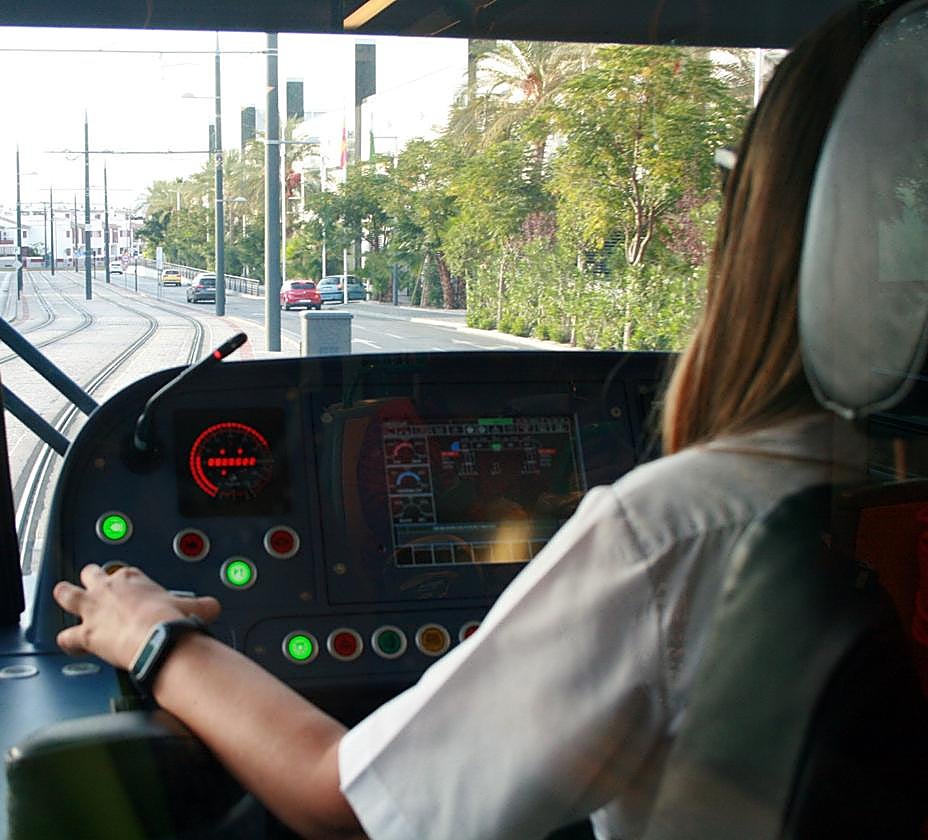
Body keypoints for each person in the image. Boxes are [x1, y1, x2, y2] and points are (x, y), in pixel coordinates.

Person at [52, 5, 892, 838]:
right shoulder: (868, 494)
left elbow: (345, 802)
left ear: (760, 230)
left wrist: (155, 636)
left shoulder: (680, 528)